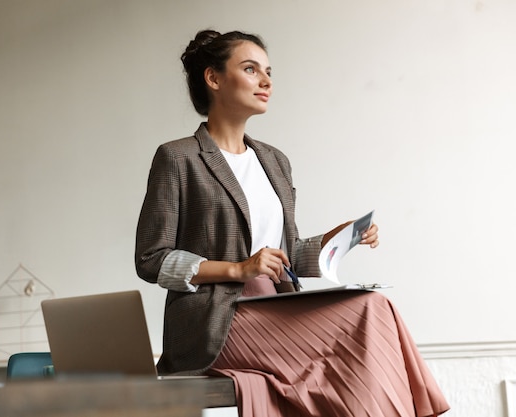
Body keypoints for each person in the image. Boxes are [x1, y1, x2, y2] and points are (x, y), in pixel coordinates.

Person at [135, 29, 449, 417]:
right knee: (367, 314)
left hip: (276, 305)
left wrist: (341, 238)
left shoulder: (275, 161)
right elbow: (152, 258)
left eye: (269, 71)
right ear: (214, 79)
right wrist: (239, 268)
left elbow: (288, 256)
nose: (266, 81)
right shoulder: (178, 157)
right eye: (251, 69)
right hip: (215, 322)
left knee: (374, 308)